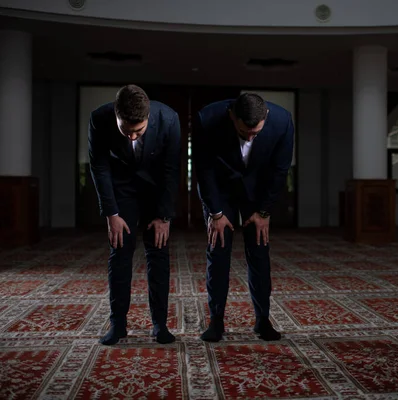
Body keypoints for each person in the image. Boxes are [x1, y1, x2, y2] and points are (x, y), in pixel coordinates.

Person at [192, 93, 294, 342]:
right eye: (243, 131)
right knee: (218, 252)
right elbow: (203, 169)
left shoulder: (282, 121)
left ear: (266, 117)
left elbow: (280, 171)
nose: (250, 137)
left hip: (257, 193)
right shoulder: (207, 119)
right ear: (231, 116)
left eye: (255, 133)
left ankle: (263, 320)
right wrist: (215, 213)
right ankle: (216, 322)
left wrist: (264, 212)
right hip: (220, 191)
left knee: (259, 252)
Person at [88, 84, 181, 345]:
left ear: (149, 118)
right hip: (121, 192)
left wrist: (164, 216)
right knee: (120, 253)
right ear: (116, 115)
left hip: (155, 192)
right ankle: (118, 325)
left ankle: (160, 325)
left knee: (159, 254)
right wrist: (111, 213)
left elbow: (172, 170)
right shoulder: (99, 118)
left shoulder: (169, 119)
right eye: (125, 131)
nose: (131, 137)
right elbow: (99, 166)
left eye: (138, 131)